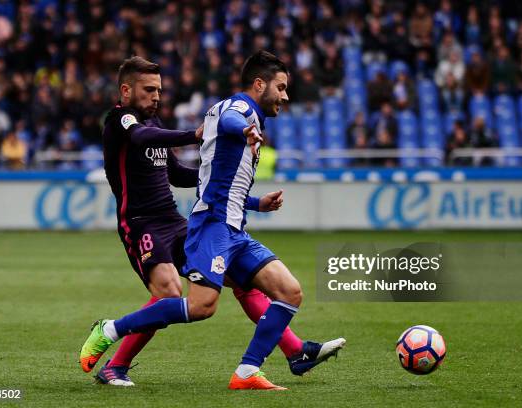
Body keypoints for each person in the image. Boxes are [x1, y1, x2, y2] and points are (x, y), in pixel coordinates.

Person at [80, 55, 344, 387]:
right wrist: (194, 134)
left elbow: (178, 175)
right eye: (148, 90)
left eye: (159, 89)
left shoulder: (156, 123)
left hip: (176, 221)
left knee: (244, 282)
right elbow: (140, 139)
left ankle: (293, 351)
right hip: (140, 223)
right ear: (126, 89)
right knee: (170, 291)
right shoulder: (120, 120)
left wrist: (226, 182)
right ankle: (114, 362)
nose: (156, 96)